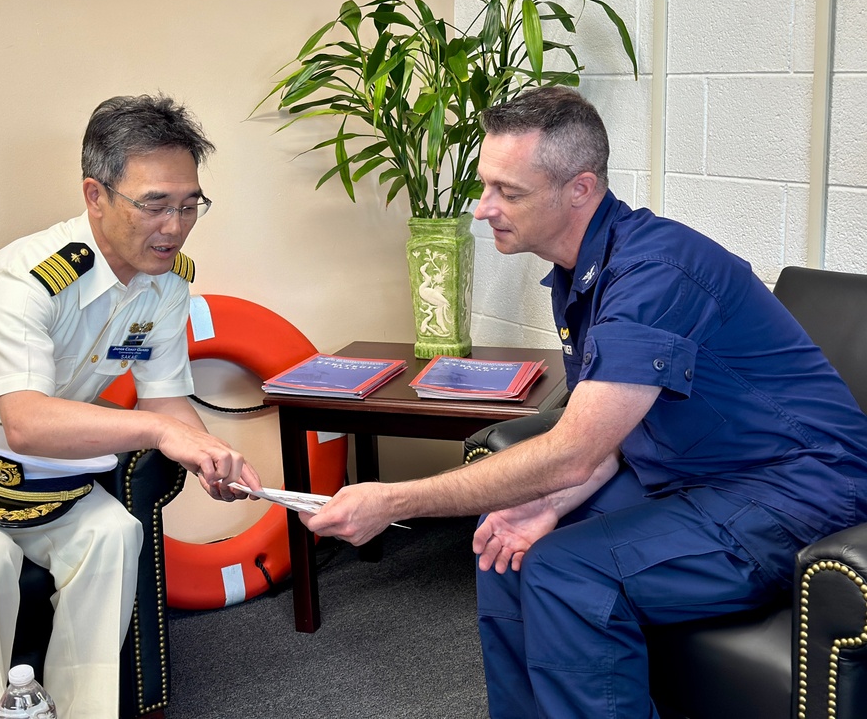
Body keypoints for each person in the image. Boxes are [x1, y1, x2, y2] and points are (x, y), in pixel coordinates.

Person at [301, 86, 867, 717]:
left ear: (580, 189)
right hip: (690, 477)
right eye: (485, 185)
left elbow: (573, 453)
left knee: (569, 572)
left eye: (509, 192)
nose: (484, 208)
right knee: (504, 548)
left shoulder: (653, 274)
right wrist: (542, 506)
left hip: (795, 489)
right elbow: (605, 440)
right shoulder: (583, 271)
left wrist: (394, 500)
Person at [0, 94, 263, 719]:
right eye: (155, 203)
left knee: (114, 533)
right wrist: (160, 431)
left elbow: (165, 396)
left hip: (27, 471)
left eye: (190, 204)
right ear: (95, 194)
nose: (176, 225)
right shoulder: (28, 276)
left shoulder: (167, 283)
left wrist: (213, 453)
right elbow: (24, 420)